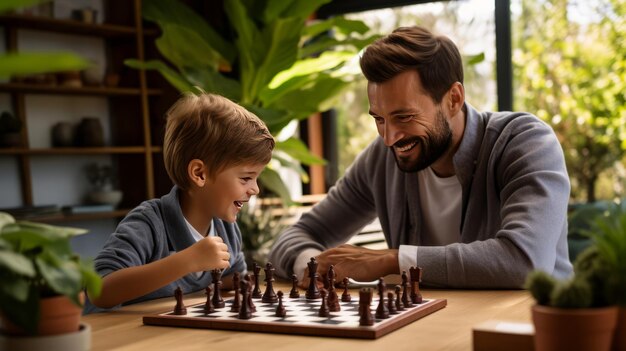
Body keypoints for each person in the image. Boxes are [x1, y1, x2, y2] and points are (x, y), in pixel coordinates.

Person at [268, 26, 573, 289]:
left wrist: (392, 260)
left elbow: (526, 260)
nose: (389, 138)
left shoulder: (525, 142)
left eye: (404, 116)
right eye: (379, 118)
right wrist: (313, 268)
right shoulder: (381, 159)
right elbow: (299, 235)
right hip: (435, 332)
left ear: (453, 99)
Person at [85, 93, 275, 312]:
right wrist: (188, 261)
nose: (255, 189)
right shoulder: (149, 223)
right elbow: (99, 291)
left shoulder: (227, 228)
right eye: (245, 178)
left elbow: (232, 278)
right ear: (199, 173)